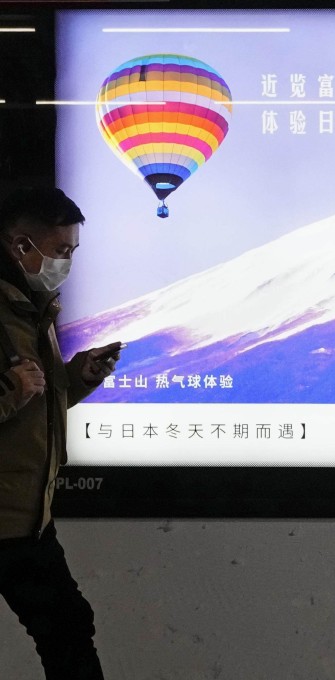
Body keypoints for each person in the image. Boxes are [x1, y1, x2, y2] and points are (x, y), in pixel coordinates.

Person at [0, 187, 121, 680]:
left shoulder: (35, 306)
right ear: (20, 246)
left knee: (70, 629)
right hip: (10, 517)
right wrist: (10, 388)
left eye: (73, 251)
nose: (67, 262)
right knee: (68, 632)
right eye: (61, 251)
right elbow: (18, 393)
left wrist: (77, 379)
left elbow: (37, 405)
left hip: (27, 519)